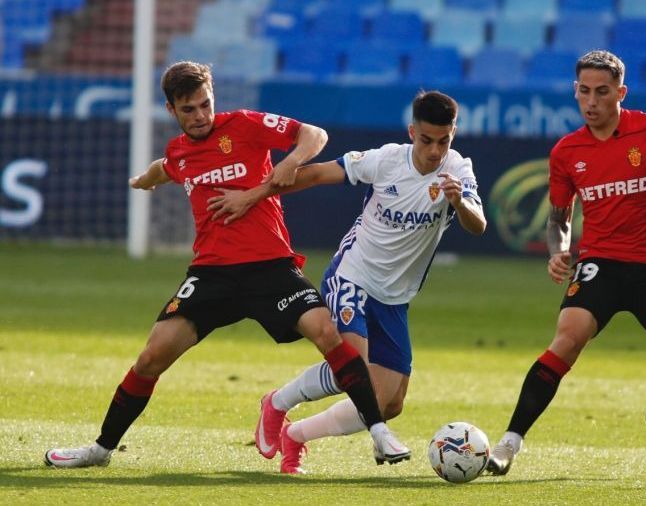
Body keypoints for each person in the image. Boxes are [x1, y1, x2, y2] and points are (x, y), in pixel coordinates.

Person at [44, 61, 409, 468]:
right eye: (189, 110)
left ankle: (379, 434)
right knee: (151, 357)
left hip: (271, 267)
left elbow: (314, 134)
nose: (200, 116)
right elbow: (164, 169)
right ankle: (100, 450)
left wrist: (289, 163)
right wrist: (143, 180)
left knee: (326, 332)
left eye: (205, 105)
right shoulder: (178, 153)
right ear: (171, 110)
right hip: (211, 274)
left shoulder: (247, 126)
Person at [207, 90, 486, 473]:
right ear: (411, 132)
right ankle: (276, 403)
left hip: (394, 297)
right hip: (352, 275)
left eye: (444, 141)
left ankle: (296, 435)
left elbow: (478, 225)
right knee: (352, 363)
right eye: (426, 140)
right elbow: (319, 173)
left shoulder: (458, 170)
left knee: (388, 402)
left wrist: (460, 203)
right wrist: (256, 194)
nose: (435, 151)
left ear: (453, 134)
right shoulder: (386, 160)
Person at [485, 50, 646, 475]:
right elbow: (559, 217)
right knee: (568, 337)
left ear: (620, 93)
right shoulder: (566, 151)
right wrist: (558, 250)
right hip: (601, 263)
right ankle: (509, 443)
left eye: (601, 92)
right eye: (583, 91)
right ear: (575, 92)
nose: (591, 101)